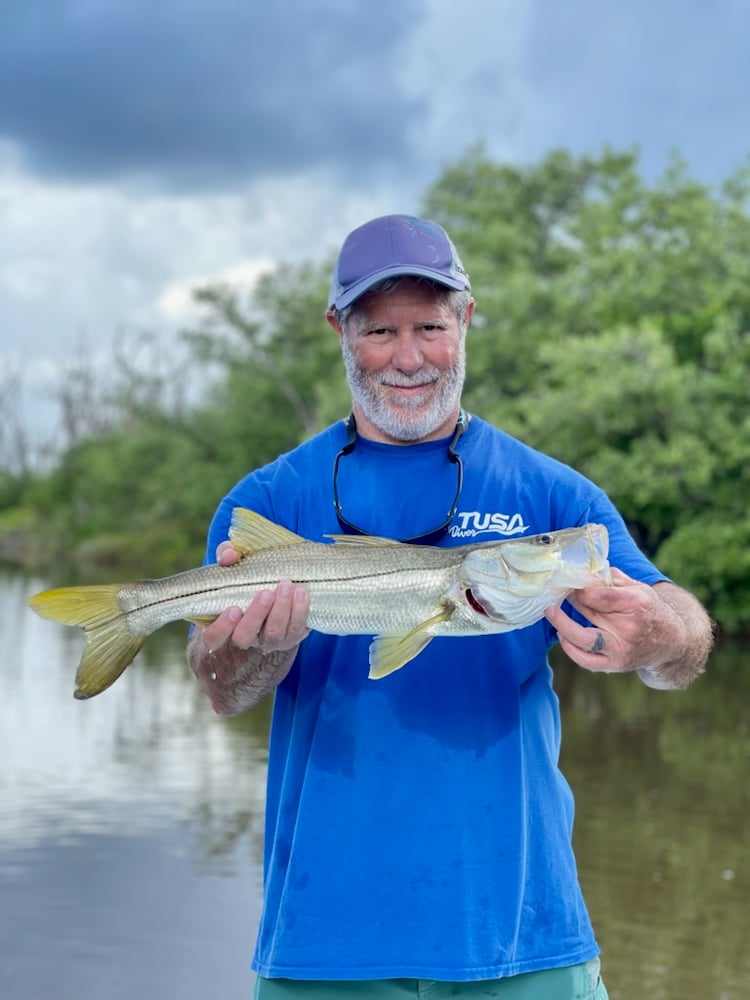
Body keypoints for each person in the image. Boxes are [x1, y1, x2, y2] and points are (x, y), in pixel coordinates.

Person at [187, 214, 714, 999]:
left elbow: (686, 641)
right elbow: (220, 688)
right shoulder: (269, 499)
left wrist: (658, 637)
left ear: (465, 319)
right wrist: (251, 649)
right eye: (380, 330)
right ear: (339, 329)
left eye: (430, 326)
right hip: (325, 943)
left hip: (524, 935)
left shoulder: (551, 493)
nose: (409, 358)